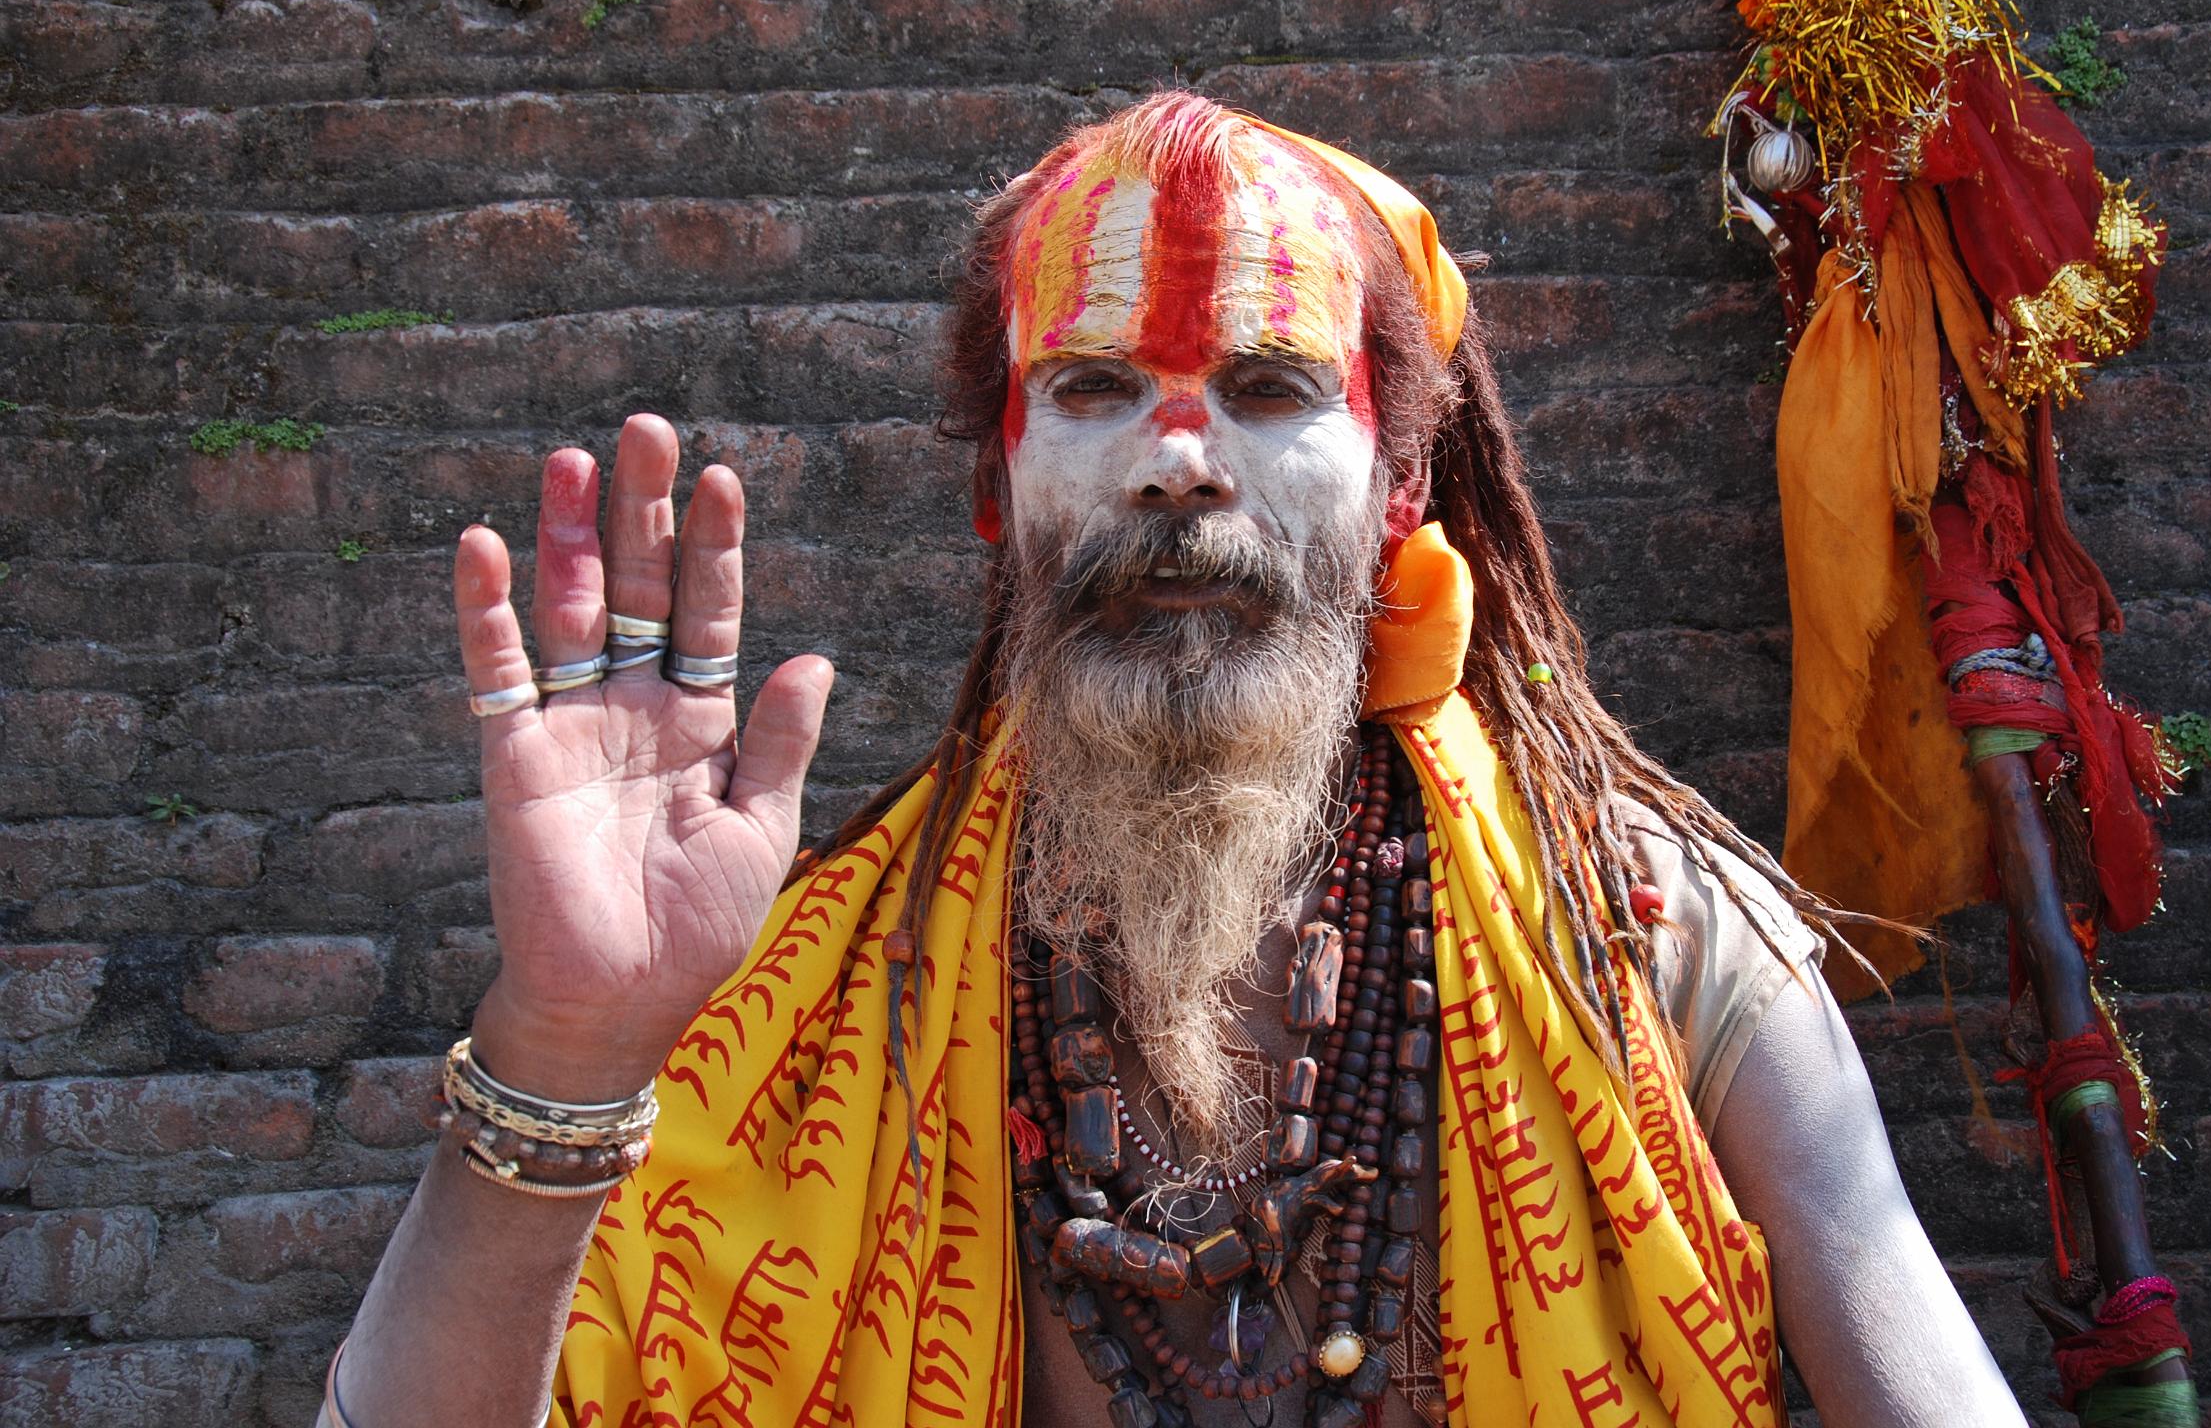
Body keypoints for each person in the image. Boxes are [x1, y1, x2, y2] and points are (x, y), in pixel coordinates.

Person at [322, 93, 2027, 1428]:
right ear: (1001, 495)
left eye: (1273, 388)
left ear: (1403, 489)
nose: (1178, 462)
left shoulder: (1647, 932)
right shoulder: (804, 983)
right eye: (1090, 386)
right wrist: (567, 1044)